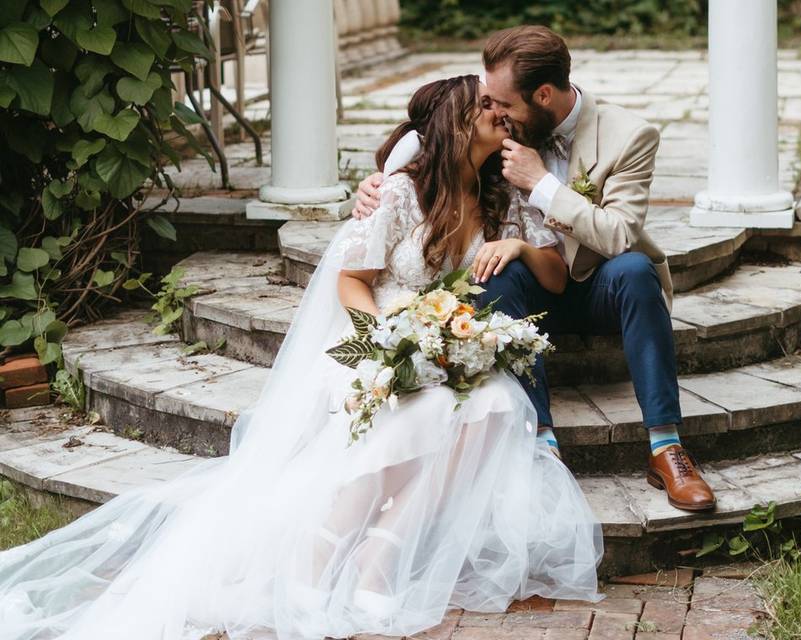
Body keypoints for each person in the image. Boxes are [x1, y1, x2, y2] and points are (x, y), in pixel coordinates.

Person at [0, 75, 604, 640]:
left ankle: (383, 549)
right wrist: (387, 347)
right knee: (423, 410)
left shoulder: (501, 196)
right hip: (373, 337)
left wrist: (512, 253)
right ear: (454, 125)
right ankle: (324, 545)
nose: (500, 115)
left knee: (498, 404)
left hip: (439, 341)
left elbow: (553, 279)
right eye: (486, 109)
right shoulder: (400, 192)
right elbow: (352, 282)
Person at [353, 25, 717, 513]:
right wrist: (373, 185)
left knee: (634, 268)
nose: (494, 112)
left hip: (594, 287)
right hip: (522, 286)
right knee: (492, 271)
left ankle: (666, 446)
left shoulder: (628, 135)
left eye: (503, 102)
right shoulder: (504, 125)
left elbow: (618, 234)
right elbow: (431, 135)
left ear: (543, 95)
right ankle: (541, 440)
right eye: (489, 102)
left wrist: (542, 184)